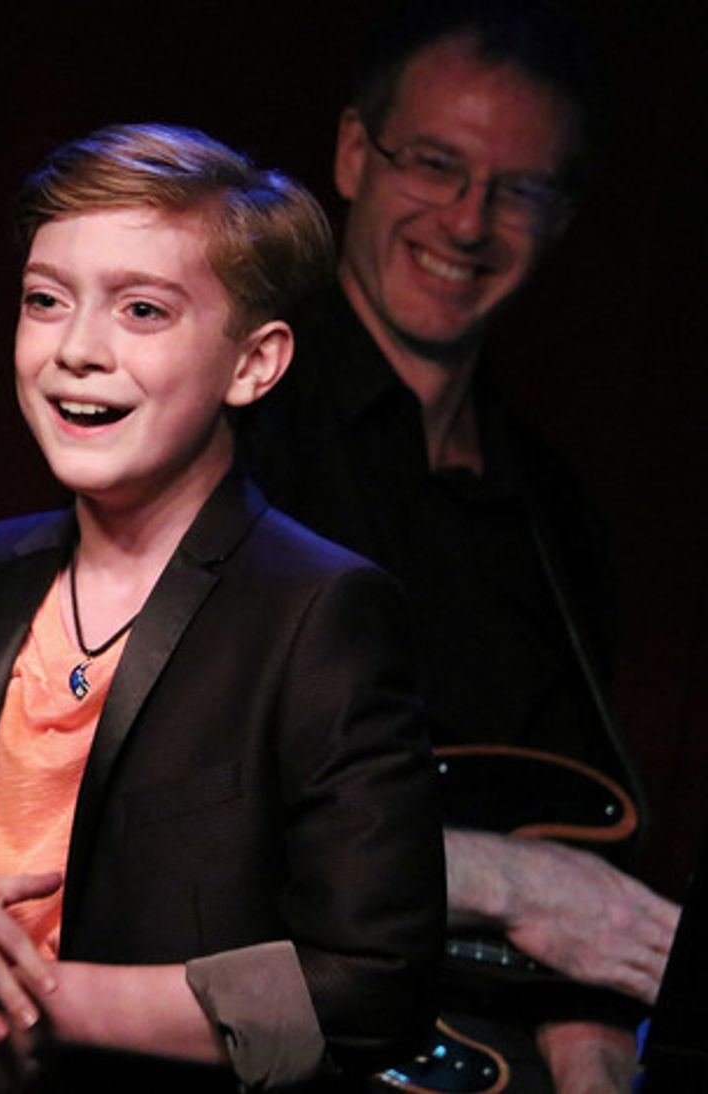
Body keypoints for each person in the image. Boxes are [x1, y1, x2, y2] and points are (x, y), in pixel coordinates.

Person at [0, 124, 445, 1091]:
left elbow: (372, 989)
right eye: (46, 302)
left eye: (142, 310)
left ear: (254, 364)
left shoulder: (314, 613)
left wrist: (31, 1001)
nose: (77, 351)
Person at [236, 2, 681, 1090]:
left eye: (516, 189)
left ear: (562, 216)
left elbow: (579, 847)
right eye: (433, 164)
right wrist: (505, 880)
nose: (467, 221)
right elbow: (177, 805)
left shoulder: (555, 517)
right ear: (352, 153)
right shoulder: (227, 426)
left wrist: (591, 1056)